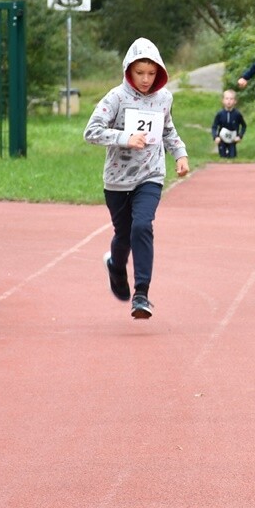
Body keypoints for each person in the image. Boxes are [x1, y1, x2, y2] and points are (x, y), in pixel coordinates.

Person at [84, 37, 190, 320]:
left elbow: (168, 130)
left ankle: (141, 293)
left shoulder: (165, 97)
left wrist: (180, 154)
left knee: (142, 226)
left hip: (151, 175)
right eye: (139, 73)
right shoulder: (116, 97)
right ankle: (116, 267)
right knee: (124, 235)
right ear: (128, 70)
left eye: (151, 73)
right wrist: (125, 138)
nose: (145, 80)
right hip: (117, 180)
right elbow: (91, 131)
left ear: (160, 72)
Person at [211, 89, 247, 159]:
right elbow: (214, 126)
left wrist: (240, 136)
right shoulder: (220, 114)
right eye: (227, 99)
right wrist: (215, 137)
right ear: (223, 100)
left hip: (232, 139)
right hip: (222, 139)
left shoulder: (237, 114)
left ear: (235, 101)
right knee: (223, 157)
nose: (229, 101)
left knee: (232, 156)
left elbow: (244, 126)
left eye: (231, 99)